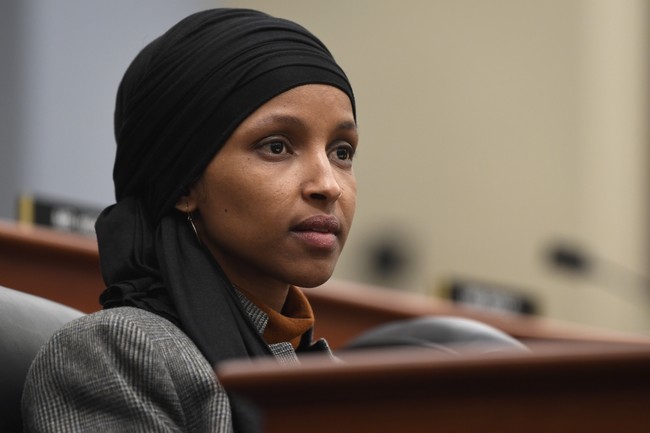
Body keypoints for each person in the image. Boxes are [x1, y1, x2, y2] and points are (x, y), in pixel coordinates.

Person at [22, 8, 358, 433]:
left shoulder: (335, 377)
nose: (328, 185)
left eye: (341, 152)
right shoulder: (118, 354)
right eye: (276, 146)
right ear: (183, 184)